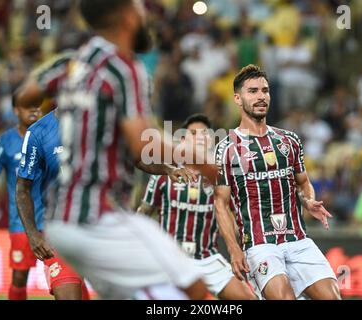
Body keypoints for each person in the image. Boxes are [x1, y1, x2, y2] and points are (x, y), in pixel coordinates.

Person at [25, 0, 218, 300]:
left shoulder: (77, 62)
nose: (146, 14)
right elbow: (144, 142)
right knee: (194, 286)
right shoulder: (123, 66)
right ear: (127, 17)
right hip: (97, 215)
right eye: (141, 8)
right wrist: (200, 159)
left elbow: (27, 94)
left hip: (59, 219)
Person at [214, 64, 341, 300]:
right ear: (237, 98)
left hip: (298, 239)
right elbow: (220, 203)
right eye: (253, 91)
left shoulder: (289, 141)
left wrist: (308, 201)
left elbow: (303, 183)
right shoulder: (227, 149)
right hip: (260, 245)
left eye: (265, 90)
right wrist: (233, 250)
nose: (261, 96)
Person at [138, 114, 256, 300]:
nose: (200, 137)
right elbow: (143, 213)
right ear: (183, 140)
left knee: (248, 298)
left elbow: (235, 218)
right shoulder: (164, 172)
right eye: (193, 133)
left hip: (206, 258)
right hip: (170, 259)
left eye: (204, 133)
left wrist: (243, 249)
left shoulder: (221, 176)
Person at [16, 108, 90, 300]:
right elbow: (22, 188)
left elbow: (138, 158)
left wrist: (166, 167)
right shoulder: (38, 132)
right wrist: (33, 235)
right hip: (60, 228)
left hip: (101, 225)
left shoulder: (100, 121)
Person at [0, 96, 40, 300]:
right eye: (28, 105)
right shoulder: (4, 141)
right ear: (16, 110)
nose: (34, 109)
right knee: (19, 278)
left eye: (37, 105)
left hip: (54, 220)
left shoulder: (52, 138)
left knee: (70, 277)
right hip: (21, 223)